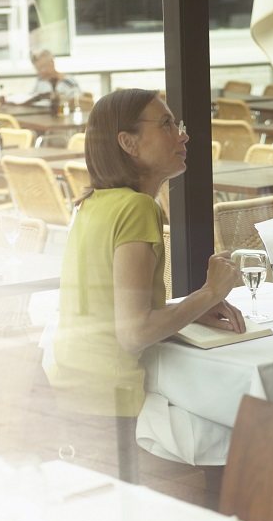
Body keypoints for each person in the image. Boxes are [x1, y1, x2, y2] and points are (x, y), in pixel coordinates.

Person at [47, 88, 244, 439]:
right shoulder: (137, 208)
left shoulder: (94, 204)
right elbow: (134, 333)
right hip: (109, 405)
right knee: (232, 431)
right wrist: (210, 292)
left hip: (70, 389)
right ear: (128, 142)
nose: (182, 134)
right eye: (166, 124)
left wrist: (188, 308)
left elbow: (112, 310)